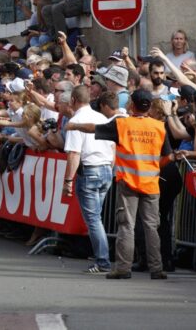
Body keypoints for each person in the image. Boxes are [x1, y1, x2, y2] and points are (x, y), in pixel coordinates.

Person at [67, 89, 174, 280]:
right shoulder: (159, 126)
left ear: (132, 104)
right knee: (151, 226)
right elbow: (169, 156)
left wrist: (75, 126)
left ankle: (123, 268)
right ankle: (157, 268)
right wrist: (154, 167)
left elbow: (94, 129)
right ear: (149, 106)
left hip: (129, 183)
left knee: (126, 226)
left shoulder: (123, 124)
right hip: (151, 184)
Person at [62, 85, 116, 274]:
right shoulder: (101, 118)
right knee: (96, 219)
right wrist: (109, 168)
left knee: (93, 220)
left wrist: (68, 180)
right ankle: (101, 258)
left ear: (73, 101)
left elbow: (74, 154)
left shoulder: (76, 121)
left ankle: (103, 261)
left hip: (90, 171)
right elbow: (112, 148)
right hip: (105, 170)